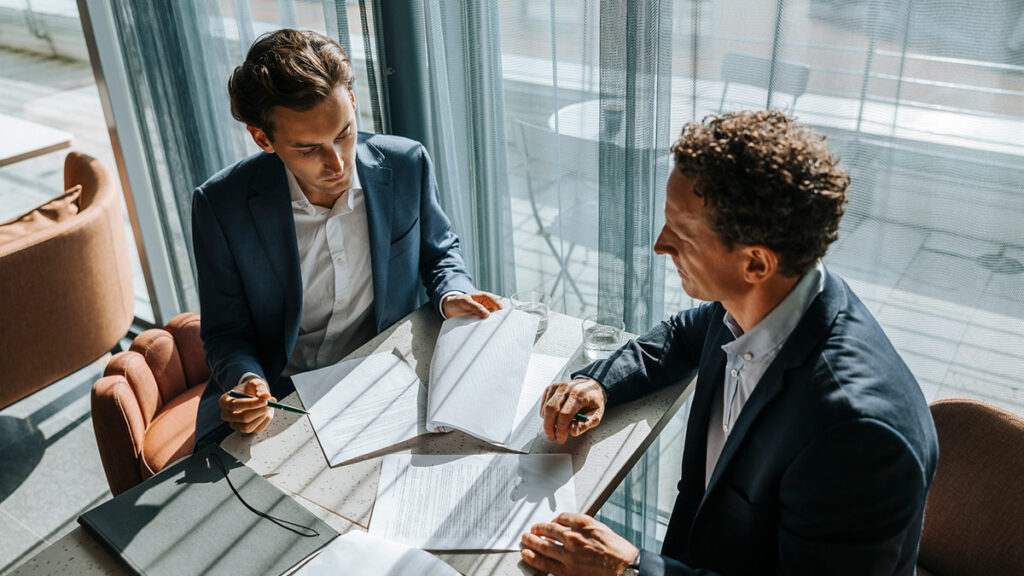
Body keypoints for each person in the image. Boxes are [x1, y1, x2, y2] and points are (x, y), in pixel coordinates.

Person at [522, 110, 938, 576]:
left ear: (756, 263)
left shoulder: (857, 435)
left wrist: (631, 569)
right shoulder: (763, 301)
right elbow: (682, 335)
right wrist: (600, 385)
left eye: (682, 233)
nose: (660, 245)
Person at [191, 29, 499, 446]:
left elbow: (439, 253)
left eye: (343, 133)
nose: (336, 163)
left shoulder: (407, 164)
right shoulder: (221, 205)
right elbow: (226, 331)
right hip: (279, 395)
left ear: (352, 101)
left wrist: (451, 293)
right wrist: (247, 381)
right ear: (262, 138)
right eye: (308, 149)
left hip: (380, 376)